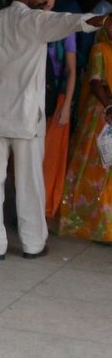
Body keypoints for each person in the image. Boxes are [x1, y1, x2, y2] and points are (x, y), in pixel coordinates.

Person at [0, 0, 111, 260]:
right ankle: (32, 243)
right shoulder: (35, 20)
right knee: (30, 182)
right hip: (26, 117)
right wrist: (107, 19)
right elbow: (74, 22)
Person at [58, 24, 112, 244]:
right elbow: (95, 82)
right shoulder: (99, 48)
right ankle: (90, 219)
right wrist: (109, 107)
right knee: (97, 167)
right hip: (102, 111)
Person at [43, 0, 77, 218]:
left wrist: (66, 106)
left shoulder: (64, 28)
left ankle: (44, 207)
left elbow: (72, 70)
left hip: (56, 98)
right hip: (31, 95)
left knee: (50, 156)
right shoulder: (29, 24)